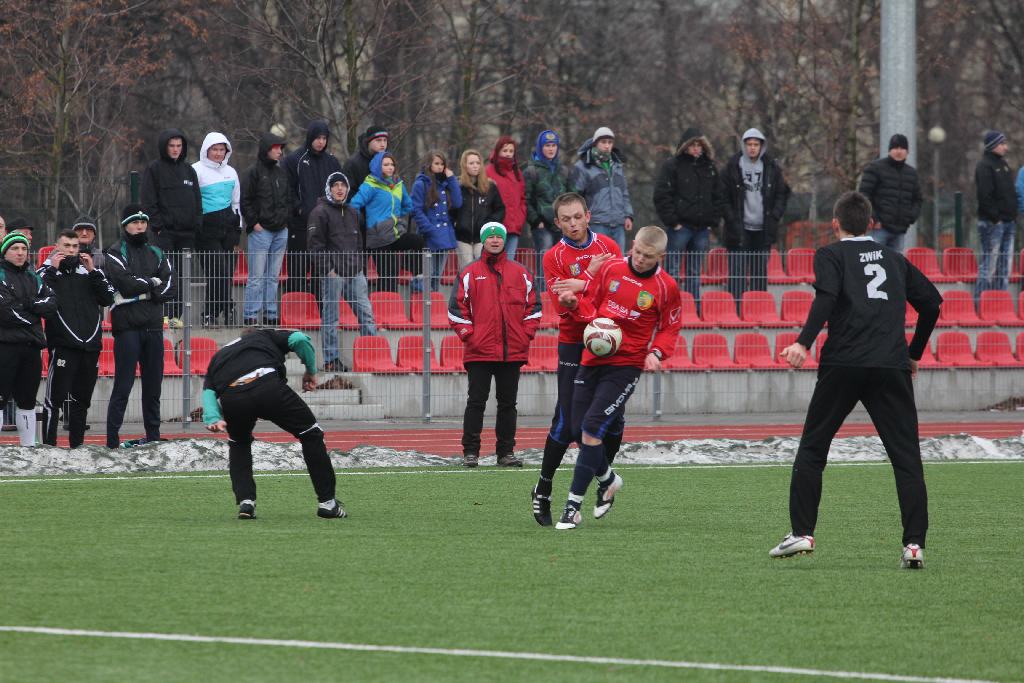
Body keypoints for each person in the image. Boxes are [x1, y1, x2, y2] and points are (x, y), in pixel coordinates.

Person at [769, 191, 942, 568]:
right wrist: (914, 353)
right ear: (873, 224)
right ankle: (914, 545)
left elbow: (827, 297)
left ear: (835, 225)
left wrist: (802, 342)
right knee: (907, 458)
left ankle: (801, 533)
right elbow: (932, 303)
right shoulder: (896, 260)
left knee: (814, 448)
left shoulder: (830, 254)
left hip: (843, 363)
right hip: (890, 365)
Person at [551, 225, 681, 530]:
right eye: (637, 251)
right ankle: (609, 479)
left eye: (648, 257)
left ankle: (572, 506)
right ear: (632, 245)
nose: (640, 259)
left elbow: (670, 326)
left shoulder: (666, 287)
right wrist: (573, 304)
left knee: (592, 428)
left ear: (660, 256)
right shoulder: (611, 268)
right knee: (575, 428)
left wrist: (658, 352)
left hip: (626, 365)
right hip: (593, 356)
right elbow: (592, 303)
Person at [530, 192, 622, 526]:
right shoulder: (554, 256)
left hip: (609, 340)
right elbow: (563, 305)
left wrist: (583, 283)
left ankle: (603, 480)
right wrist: (588, 286)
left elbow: (615, 291)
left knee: (611, 424)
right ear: (557, 223)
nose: (572, 224)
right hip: (574, 342)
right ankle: (544, 487)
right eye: (565, 219)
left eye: (577, 217)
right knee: (569, 424)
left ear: (588, 216)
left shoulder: (609, 247)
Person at [203, 327, 346, 520]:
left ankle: (246, 502)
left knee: (239, 443)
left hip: (233, 397)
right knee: (310, 434)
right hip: (267, 387)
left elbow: (209, 392)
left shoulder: (218, 356)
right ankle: (328, 503)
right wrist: (310, 371)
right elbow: (299, 339)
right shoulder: (265, 334)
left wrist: (213, 418)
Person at [448, 221, 540, 468]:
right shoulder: (469, 273)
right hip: (479, 351)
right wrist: (471, 336)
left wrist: (524, 335)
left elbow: (534, 308)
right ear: (484, 241)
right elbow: (456, 310)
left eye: (499, 236)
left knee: (508, 404)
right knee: (476, 402)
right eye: (490, 237)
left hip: (512, 351)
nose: (495, 240)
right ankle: (471, 452)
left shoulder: (521, 273)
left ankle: (505, 453)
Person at [103, 205, 175, 449]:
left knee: (153, 385)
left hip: (153, 326)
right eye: (135, 223)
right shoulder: (115, 251)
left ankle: (153, 436)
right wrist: (152, 285)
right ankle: (112, 439)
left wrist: (148, 287)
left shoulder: (156, 251)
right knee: (123, 384)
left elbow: (170, 286)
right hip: (127, 328)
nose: (140, 227)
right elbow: (125, 284)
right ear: (125, 226)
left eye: (143, 223)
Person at [38, 230, 115, 447]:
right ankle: (49, 447)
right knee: (55, 400)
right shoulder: (46, 270)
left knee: (81, 401)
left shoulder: (89, 271)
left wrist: (93, 271)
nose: (71, 250)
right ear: (57, 246)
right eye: (67, 246)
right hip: (63, 346)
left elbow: (107, 297)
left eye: (75, 246)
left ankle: (77, 447)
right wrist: (53, 268)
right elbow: (38, 294)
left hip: (90, 347)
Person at [307, 171, 377, 372]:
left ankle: (371, 354)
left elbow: (358, 244)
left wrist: (360, 267)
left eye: (343, 185)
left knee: (367, 314)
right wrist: (328, 271)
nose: (340, 189)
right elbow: (315, 246)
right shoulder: (319, 212)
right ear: (329, 188)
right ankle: (331, 359)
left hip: (355, 273)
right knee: (331, 318)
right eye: (336, 185)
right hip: (333, 274)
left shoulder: (354, 212)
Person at [653, 127, 724, 307]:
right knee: (673, 270)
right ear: (685, 146)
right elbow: (662, 195)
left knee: (695, 271)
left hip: (701, 228)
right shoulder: (672, 165)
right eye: (692, 145)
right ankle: (672, 305)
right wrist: (673, 222)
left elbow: (719, 196)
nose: (696, 148)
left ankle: (693, 306)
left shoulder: (710, 167)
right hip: (680, 228)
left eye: (699, 145)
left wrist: (712, 222)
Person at [140, 128, 202, 328]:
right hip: (164, 234)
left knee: (183, 276)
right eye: (172, 146)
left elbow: (197, 201)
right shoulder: (154, 169)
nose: (175, 149)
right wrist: (157, 227)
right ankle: (163, 314)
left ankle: (177, 316)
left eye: (179, 146)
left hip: (186, 234)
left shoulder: (189, 170)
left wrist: (196, 224)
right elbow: (148, 201)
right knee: (164, 273)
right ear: (164, 147)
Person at [0, 231, 56, 446]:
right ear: (5, 252)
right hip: (5, 347)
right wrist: (33, 314)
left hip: (31, 347)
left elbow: (51, 303)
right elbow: (4, 312)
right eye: (15, 248)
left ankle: (28, 450)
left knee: (27, 402)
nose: (20, 252)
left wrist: (27, 306)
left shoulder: (34, 277)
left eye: (23, 248)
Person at [722, 128, 791, 302]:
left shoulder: (772, 167)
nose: (752, 148)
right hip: (739, 228)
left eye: (756, 144)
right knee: (737, 273)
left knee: (759, 273)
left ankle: (756, 308)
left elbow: (782, 193)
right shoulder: (732, 166)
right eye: (749, 144)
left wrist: (775, 215)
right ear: (743, 145)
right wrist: (730, 218)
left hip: (763, 229)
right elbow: (722, 196)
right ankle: (736, 309)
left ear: (762, 146)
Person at [283, 120, 343, 296]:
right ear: (310, 137)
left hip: (325, 226)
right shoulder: (294, 160)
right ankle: (295, 312)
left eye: (324, 138)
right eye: (317, 137)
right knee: (297, 270)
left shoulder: (332, 162)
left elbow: (340, 188)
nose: (321, 142)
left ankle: (320, 311)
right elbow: (288, 190)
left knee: (321, 270)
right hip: (301, 225)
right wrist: (299, 209)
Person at [348, 151, 424, 291]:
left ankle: (417, 275)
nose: (390, 167)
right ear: (378, 166)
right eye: (386, 164)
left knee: (418, 241)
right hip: (378, 238)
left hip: (395, 233)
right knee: (388, 277)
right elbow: (354, 205)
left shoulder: (398, 184)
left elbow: (408, 205)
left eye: (392, 164)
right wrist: (365, 223)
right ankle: (383, 309)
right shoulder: (371, 184)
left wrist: (395, 218)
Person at [241, 132, 291, 326]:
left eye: (281, 148)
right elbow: (245, 200)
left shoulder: (281, 172)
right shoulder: (253, 172)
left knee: (273, 276)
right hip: (262, 231)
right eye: (276, 147)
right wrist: (254, 223)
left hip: (281, 231)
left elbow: (288, 199)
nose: (279, 151)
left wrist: (286, 220)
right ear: (266, 149)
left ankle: (271, 313)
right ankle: (251, 315)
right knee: (256, 276)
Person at [192, 131, 242, 326]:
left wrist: (238, 228)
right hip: (206, 231)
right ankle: (211, 312)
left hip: (228, 230)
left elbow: (236, 202)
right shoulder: (196, 170)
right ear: (207, 149)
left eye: (222, 149)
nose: (219, 153)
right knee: (216, 271)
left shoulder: (232, 172)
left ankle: (226, 308)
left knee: (227, 273)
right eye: (215, 149)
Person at [570, 127, 634, 254]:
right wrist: (581, 220)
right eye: (603, 142)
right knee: (597, 262)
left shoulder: (617, 165)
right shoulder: (583, 166)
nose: (607, 146)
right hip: (596, 222)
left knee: (617, 263)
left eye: (610, 142)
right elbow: (576, 197)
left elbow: (624, 193)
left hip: (618, 223)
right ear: (595, 143)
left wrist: (628, 215)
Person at [857, 133, 922, 253]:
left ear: (907, 152)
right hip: (878, 229)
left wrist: (909, 218)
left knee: (894, 267)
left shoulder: (912, 173)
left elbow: (917, 199)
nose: (899, 151)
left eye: (902, 148)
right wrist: (873, 219)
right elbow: (864, 195)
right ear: (889, 150)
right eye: (895, 148)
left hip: (900, 230)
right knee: (874, 263)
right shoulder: (875, 168)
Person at [974, 130, 1017, 302]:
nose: (1005, 147)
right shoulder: (984, 166)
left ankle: (1000, 303)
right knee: (989, 266)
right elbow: (985, 196)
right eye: (1002, 144)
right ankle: (980, 302)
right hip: (993, 224)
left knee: (1004, 266)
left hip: (1008, 222)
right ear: (993, 145)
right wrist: (996, 218)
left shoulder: (1004, 165)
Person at [524, 130, 569, 290]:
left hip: (563, 225)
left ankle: (561, 297)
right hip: (543, 226)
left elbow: (571, 196)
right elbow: (526, 199)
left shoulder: (563, 171)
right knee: (545, 265)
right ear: (540, 147)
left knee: (563, 264)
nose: (551, 149)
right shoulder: (531, 171)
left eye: (554, 145)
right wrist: (536, 220)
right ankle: (544, 298)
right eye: (547, 145)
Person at [412, 151, 462, 291]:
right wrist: (429, 229)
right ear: (429, 164)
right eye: (436, 163)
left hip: (444, 235)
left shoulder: (445, 184)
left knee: (437, 276)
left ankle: (433, 308)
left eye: (442, 164)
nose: (440, 167)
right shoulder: (421, 184)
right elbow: (416, 210)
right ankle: (423, 309)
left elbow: (457, 203)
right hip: (429, 235)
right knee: (428, 275)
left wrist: (452, 179)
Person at [452, 149, 504, 270]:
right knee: (467, 269)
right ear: (464, 165)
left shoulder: (490, 186)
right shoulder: (457, 186)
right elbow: (451, 209)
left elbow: (500, 209)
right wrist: (456, 224)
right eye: (471, 163)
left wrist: (488, 225)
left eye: (477, 163)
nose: (475, 166)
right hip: (462, 237)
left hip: (483, 236)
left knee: (483, 268)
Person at [486, 135, 526, 260]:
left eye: (511, 151)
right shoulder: (488, 171)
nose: (508, 154)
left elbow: (522, 198)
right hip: (495, 226)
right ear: (497, 151)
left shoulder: (517, 173)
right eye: (505, 150)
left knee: (509, 263)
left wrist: (520, 217)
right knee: (493, 262)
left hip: (514, 225)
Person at [342, 125, 389, 197]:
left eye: (385, 140)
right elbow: (348, 193)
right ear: (369, 142)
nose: (382, 144)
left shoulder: (388, 161)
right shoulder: (353, 163)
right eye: (378, 140)